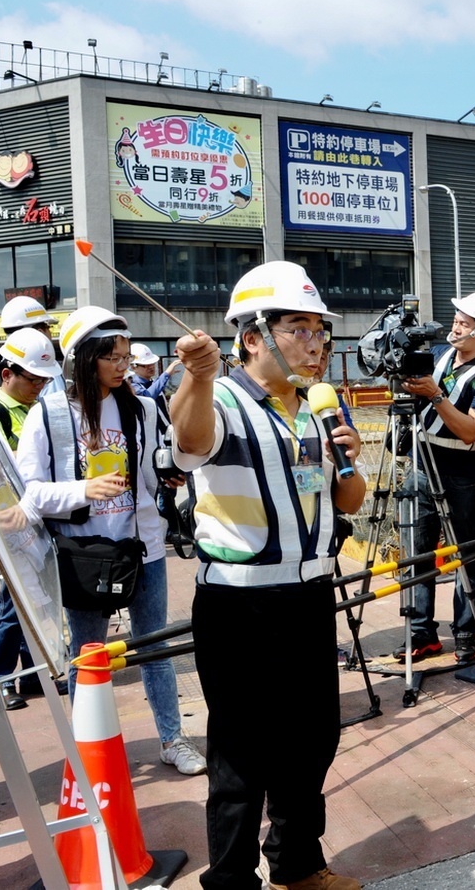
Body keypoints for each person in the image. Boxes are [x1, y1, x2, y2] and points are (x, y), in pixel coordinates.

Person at [171, 260, 367, 890]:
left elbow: (349, 501)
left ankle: (299, 863)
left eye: (321, 331)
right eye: (299, 329)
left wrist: (349, 458)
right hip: (240, 607)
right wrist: (197, 379)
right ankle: (230, 880)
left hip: (310, 594)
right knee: (240, 752)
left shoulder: (314, 409)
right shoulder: (222, 399)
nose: (316, 344)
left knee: (313, 739)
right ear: (253, 337)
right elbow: (190, 443)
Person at [16, 305, 205, 775]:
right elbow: (31, 491)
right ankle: (90, 748)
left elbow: (155, 467)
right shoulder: (51, 415)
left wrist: (170, 475)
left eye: (125, 356)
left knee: (154, 648)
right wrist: (84, 489)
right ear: (83, 358)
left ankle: (172, 739)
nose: (123, 366)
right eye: (113, 358)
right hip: (85, 554)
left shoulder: (139, 407)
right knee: (89, 655)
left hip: (143, 549)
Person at [395, 290, 475, 663]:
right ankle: (420, 633)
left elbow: (471, 430)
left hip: (460, 475)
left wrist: (436, 394)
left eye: (464, 323)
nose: (455, 327)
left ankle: (464, 631)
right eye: (457, 319)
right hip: (421, 466)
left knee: (464, 554)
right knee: (416, 555)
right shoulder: (441, 357)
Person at [0, 328, 64, 709]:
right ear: (7, 375)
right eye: (32, 379)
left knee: (40, 598)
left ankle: (33, 674)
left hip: (37, 519)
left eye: (43, 380)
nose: (38, 386)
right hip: (10, 523)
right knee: (11, 602)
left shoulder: (37, 411)